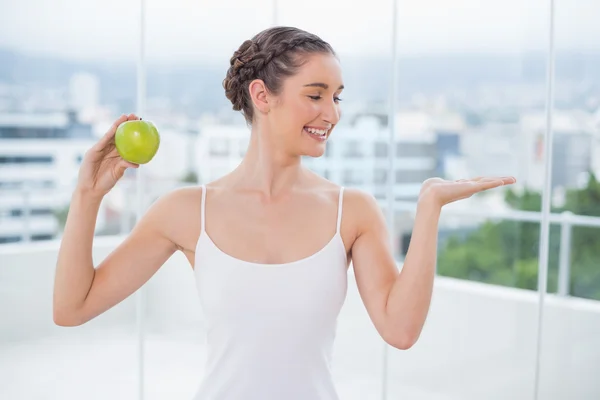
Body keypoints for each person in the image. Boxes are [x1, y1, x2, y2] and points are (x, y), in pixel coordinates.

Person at [53, 26, 516, 399]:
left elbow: (401, 330)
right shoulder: (184, 211)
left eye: (336, 97)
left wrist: (429, 207)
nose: (331, 114)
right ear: (262, 95)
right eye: (315, 95)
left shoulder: (351, 211)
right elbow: (72, 308)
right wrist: (87, 196)